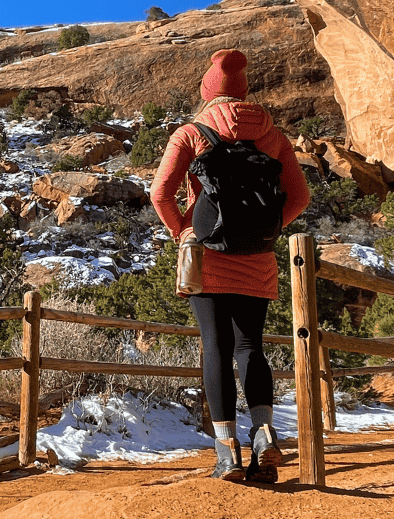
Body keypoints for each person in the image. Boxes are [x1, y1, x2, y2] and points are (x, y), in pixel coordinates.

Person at [150, 49, 310, 482]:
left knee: (216, 348)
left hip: (207, 255)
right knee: (250, 347)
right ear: (242, 92)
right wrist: (269, 231)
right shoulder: (274, 137)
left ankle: (227, 452)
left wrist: (183, 231)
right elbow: (299, 198)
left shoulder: (191, 132)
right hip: (256, 257)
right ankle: (262, 434)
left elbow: (160, 193)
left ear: (207, 92)